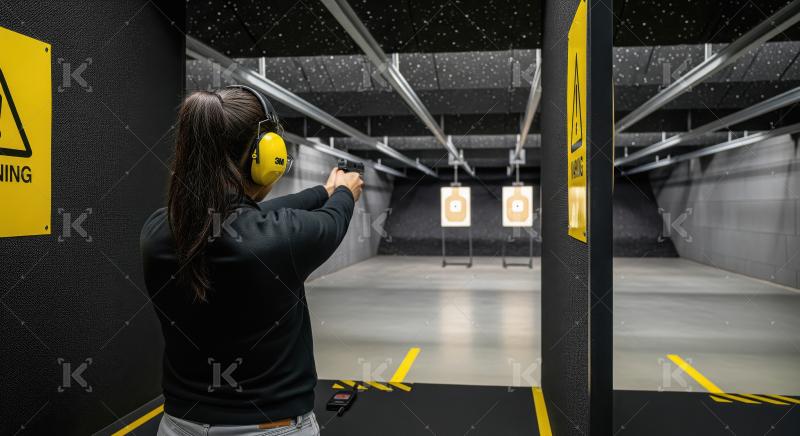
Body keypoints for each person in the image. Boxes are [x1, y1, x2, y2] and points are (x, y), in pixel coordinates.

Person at [140, 87, 363, 436]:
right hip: (271, 428)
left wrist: (322, 192)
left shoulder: (157, 230)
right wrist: (346, 191)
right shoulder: (279, 239)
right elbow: (333, 221)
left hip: (178, 425)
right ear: (264, 156)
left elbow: (244, 218)